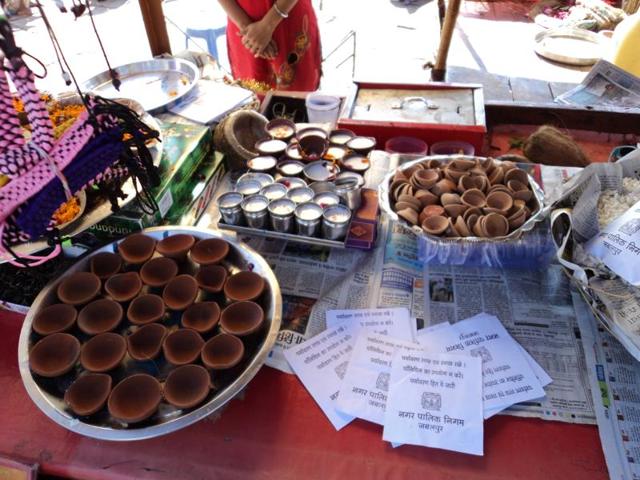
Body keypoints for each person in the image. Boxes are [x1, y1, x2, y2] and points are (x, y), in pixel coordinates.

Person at [218, 0, 321, 91]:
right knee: (253, 103)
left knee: (296, 104)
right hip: (241, 24)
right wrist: (248, 31)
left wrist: (267, 25)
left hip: (289, 19)